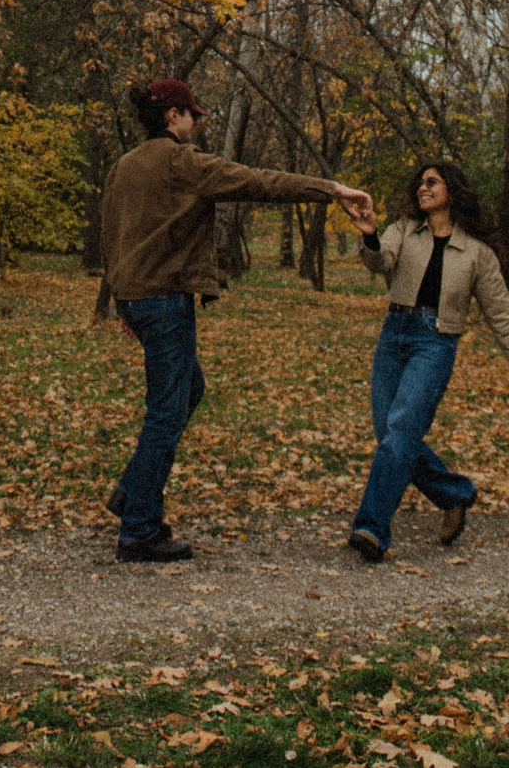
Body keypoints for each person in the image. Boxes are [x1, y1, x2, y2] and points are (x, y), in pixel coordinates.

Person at [99, 77, 376, 564]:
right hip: (164, 302)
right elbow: (256, 181)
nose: (194, 126)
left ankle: (133, 490)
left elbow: (111, 235)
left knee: (188, 390)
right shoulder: (181, 161)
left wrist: (122, 300)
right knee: (166, 410)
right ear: (172, 117)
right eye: (192, 117)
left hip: (140, 301)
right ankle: (139, 530)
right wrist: (330, 190)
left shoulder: (123, 167)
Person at [334, 161, 509, 562]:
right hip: (394, 335)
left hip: (435, 343)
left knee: (400, 431)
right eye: (420, 183)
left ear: (452, 191)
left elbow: (501, 314)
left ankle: (371, 528)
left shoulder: (477, 253)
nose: (423, 189)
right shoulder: (404, 230)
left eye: (432, 182)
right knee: (391, 434)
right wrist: (371, 234)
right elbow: (381, 263)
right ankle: (454, 493)